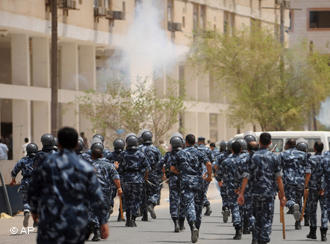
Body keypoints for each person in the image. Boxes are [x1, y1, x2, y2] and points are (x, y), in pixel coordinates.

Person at [28, 127, 109, 244]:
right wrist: (103, 222)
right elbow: (96, 197)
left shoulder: (45, 164)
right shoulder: (85, 167)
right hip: (75, 224)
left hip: (50, 222)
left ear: (58, 143)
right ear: (76, 144)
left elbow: (33, 191)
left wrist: (34, 212)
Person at [238, 132, 286, 244]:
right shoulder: (274, 157)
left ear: (259, 142)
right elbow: (279, 178)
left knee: (257, 218)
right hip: (269, 194)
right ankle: (263, 239)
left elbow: (246, 176)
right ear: (270, 143)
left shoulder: (252, 157)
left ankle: (256, 238)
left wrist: (241, 193)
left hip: (255, 193)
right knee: (267, 219)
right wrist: (282, 195)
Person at [171, 134, 212, 243]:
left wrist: (181, 173)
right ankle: (197, 228)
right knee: (198, 207)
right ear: (195, 142)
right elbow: (208, 164)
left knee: (189, 205)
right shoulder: (200, 152)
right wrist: (209, 176)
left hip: (186, 182)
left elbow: (172, 168)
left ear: (186, 142)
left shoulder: (180, 153)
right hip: (199, 182)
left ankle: (192, 226)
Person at [87, 142, 122, 241]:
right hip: (105, 191)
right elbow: (116, 178)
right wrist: (119, 188)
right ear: (102, 153)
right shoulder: (109, 165)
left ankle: (96, 229)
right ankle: (101, 227)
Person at [117, 133, 150, 227]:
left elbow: (120, 168)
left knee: (127, 199)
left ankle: (128, 218)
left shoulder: (123, 154)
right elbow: (147, 167)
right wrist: (144, 177)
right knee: (136, 200)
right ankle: (133, 219)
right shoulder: (141, 154)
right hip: (138, 180)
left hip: (126, 180)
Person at [218, 141, 245, 240]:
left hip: (231, 188)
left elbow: (219, 175)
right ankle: (247, 225)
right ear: (241, 149)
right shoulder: (244, 161)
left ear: (231, 150)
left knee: (235, 208)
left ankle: (238, 228)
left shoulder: (226, 161)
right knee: (244, 207)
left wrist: (220, 180)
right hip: (243, 187)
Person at [279, 138, 308, 230]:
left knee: (287, 199)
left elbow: (278, 169)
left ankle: (291, 205)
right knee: (299, 201)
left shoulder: (283, 154)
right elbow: (308, 168)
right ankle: (298, 222)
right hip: (300, 180)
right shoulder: (303, 155)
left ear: (287, 144)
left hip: (288, 180)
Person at [10, 143, 38, 227]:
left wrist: (13, 180)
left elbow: (14, 171)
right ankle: (36, 221)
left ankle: (26, 211)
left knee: (26, 200)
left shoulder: (23, 160)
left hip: (25, 182)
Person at [304, 142, 328, 241]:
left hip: (313, 188)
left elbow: (308, 174)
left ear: (314, 148)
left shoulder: (311, 159)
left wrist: (305, 186)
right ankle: (324, 233)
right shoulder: (326, 159)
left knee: (312, 210)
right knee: (324, 210)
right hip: (324, 188)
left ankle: (313, 232)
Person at [163, 134, 186, 232]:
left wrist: (164, 175)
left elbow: (161, 165)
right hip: (184, 179)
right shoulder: (185, 153)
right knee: (183, 201)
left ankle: (175, 222)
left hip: (173, 180)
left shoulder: (168, 155)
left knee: (174, 201)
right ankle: (181, 223)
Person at [139, 130, 163, 220]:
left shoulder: (139, 148)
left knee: (143, 193)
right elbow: (160, 162)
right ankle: (151, 203)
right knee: (155, 191)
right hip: (153, 174)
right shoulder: (155, 149)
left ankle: (144, 214)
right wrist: (161, 174)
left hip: (141, 174)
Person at [106, 138, 126, 221]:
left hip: (112, 178)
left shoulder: (110, 155)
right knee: (123, 197)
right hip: (123, 178)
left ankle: (110, 206)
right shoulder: (125, 155)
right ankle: (121, 214)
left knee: (111, 194)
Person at [196, 137, 214, 216]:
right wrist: (210, 174)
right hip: (206, 172)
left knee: (199, 192)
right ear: (204, 141)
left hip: (197, 173)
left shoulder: (195, 149)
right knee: (203, 191)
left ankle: (206, 205)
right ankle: (207, 206)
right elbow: (211, 161)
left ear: (198, 142)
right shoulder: (208, 150)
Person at [214, 140, 231, 223]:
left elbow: (215, 166)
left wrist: (218, 177)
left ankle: (225, 208)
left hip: (223, 179)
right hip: (234, 181)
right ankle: (233, 212)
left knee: (224, 196)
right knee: (233, 197)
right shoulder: (236, 156)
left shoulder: (221, 156)